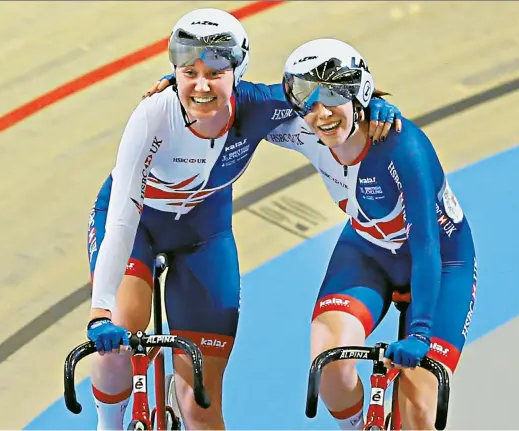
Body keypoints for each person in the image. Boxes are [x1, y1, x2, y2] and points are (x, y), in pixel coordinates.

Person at [85, 8, 403, 431]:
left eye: (215, 72)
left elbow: (325, 98)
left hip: (204, 234)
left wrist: (370, 104)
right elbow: (124, 220)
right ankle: (108, 423)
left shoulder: (260, 107)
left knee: (200, 402)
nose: (201, 85)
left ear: (238, 71)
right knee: (120, 336)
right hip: (138, 226)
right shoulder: (153, 116)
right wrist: (99, 312)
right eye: (189, 72)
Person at [270, 39, 477, 430]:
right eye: (309, 103)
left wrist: (419, 334)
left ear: (359, 93)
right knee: (330, 365)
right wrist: (186, 87)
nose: (322, 114)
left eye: (333, 97)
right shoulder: (304, 125)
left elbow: (426, 245)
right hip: (369, 252)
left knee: (418, 408)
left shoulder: (404, 147)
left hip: (441, 261)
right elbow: (241, 100)